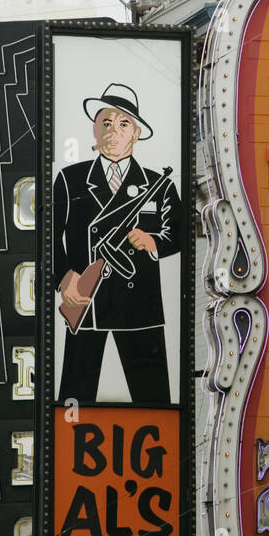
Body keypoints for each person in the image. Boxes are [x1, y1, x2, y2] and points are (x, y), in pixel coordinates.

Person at [53, 83, 181, 405]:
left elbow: (179, 233)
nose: (114, 131)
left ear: (136, 133)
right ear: (94, 131)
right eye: (105, 123)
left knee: (156, 408)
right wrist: (64, 277)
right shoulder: (70, 180)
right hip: (87, 303)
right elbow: (47, 235)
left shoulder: (158, 184)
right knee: (72, 407)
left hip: (140, 308)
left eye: (123, 123)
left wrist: (153, 241)